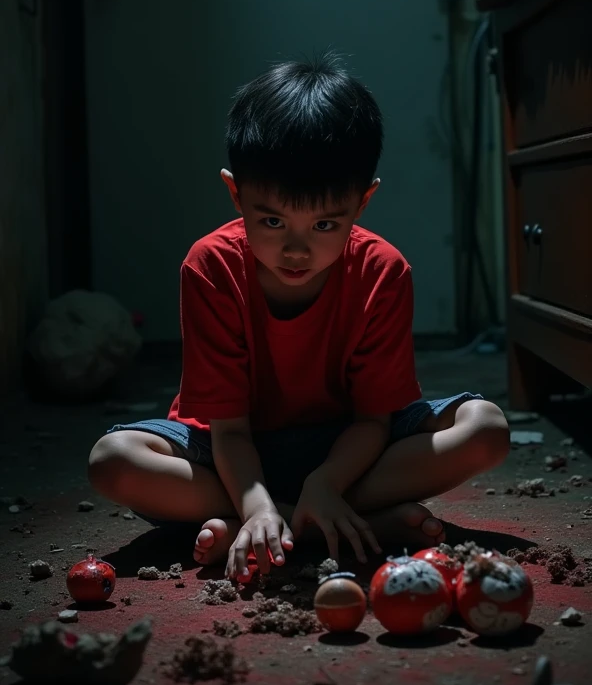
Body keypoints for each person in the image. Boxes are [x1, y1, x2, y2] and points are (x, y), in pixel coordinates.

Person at [88, 52, 509, 580]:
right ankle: (327, 523)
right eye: (272, 220)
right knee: (113, 460)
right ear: (235, 193)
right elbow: (229, 431)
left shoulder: (383, 270)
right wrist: (256, 499)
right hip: (231, 449)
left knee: (485, 427)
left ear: (362, 202)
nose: (296, 251)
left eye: (325, 226)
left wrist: (327, 480)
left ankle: (281, 519)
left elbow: (373, 419)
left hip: (348, 445)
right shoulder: (211, 266)